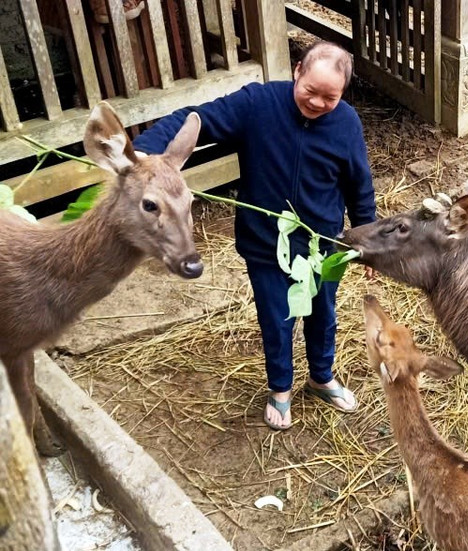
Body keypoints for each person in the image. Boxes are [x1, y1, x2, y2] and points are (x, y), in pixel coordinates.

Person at [134, 42, 376, 429]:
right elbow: (195, 117)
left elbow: (359, 184)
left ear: (343, 93)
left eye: (330, 97)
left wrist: (365, 240)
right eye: (310, 90)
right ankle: (281, 388)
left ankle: (321, 376)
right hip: (265, 244)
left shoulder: (346, 122)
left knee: (322, 314)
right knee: (276, 318)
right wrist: (143, 155)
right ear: (297, 70)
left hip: (322, 245)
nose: (317, 102)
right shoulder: (258, 104)